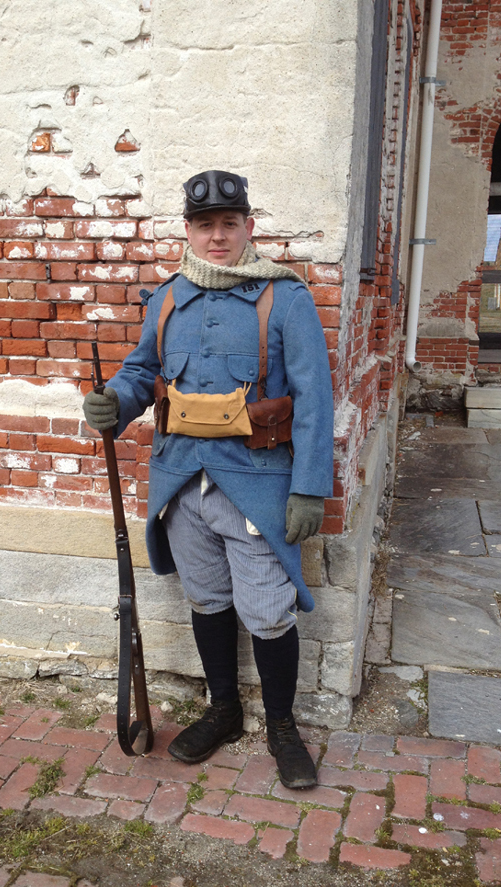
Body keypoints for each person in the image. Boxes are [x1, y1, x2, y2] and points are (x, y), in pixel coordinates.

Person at [83, 170, 334, 788]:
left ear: (249, 227)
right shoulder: (169, 297)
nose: (216, 236)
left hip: (256, 480)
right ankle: (223, 710)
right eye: (204, 226)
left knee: (269, 611)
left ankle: (281, 727)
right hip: (180, 481)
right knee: (208, 599)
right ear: (189, 232)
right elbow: (143, 371)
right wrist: (116, 400)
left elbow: (314, 397)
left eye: (229, 224)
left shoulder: (286, 298)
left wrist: (309, 487)